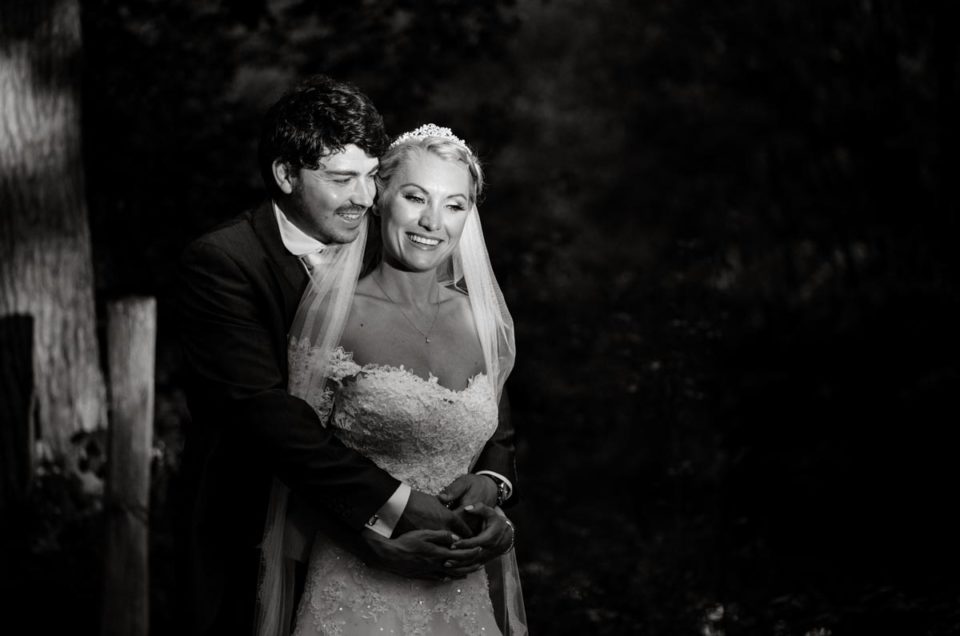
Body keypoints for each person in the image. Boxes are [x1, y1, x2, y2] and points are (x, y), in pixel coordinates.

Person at [174, 77, 519, 635]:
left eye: (370, 175)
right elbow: (269, 420)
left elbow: (483, 404)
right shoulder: (226, 263)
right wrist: (383, 520)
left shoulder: (415, 271)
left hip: (441, 561)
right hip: (251, 535)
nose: (362, 197)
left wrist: (490, 481)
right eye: (341, 179)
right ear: (287, 175)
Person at [262, 124, 526, 636]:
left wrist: (493, 502)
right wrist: (371, 537)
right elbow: (292, 463)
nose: (433, 221)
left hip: (462, 594)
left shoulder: (484, 321)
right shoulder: (330, 317)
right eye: (415, 197)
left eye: (454, 205)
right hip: (358, 587)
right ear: (380, 197)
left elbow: (498, 435)